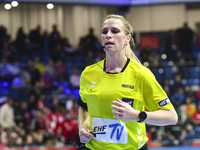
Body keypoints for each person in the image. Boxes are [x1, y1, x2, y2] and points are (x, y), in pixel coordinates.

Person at [77, 14, 178, 150]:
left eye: (115, 31)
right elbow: (84, 106)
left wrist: (137, 115)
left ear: (127, 39)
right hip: (92, 147)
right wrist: (82, 127)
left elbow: (171, 117)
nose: (108, 35)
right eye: (104, 31)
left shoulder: (141, 74)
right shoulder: (88, 73)